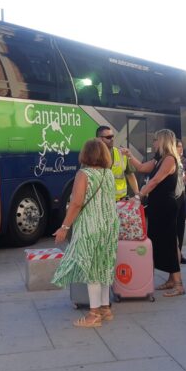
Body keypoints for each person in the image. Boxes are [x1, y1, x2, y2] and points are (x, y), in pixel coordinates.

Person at [52, 139, 120, 328]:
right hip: (109, 225)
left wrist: (64, 228)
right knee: (104, 266)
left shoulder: (83, 174)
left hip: (91, 226)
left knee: (92, 269)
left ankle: (93, 315)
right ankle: (106, 309)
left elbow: (76, 203)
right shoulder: (108, 174)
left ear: (86, 154)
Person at [121, 129, 185, 297]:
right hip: (158, 205)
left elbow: (156, 180)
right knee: (161, 242)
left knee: (169, 242)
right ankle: (171, 279)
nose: (153, 143)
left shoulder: (170, 159)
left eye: (156, 140)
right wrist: (129, 155)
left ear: (163, 141)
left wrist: (139, 195)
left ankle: (178, 284)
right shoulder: (159, 159)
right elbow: (142, 167)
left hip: (166, 205)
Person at [97, 125, 139, 201]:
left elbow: (130, 175)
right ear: (99, 139)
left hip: (120, 201)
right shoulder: (92, 156)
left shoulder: (121, 154)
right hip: (101, 201)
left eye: (112, 136)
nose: (112, 139)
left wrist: (137, 194)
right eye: (108, 137)